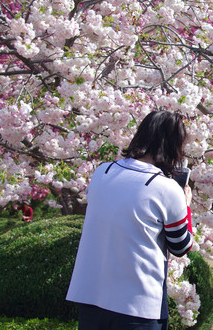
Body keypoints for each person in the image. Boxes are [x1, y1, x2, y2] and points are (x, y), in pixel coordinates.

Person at [66, 110, 193, 330]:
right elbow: (181, 246)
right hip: (137, 303)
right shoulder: (166, 188)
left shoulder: (102, 172)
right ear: (175, 147)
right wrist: (186, 206)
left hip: (90, 294)